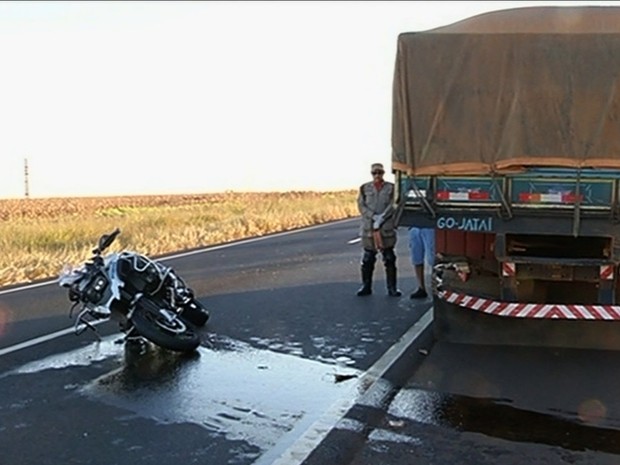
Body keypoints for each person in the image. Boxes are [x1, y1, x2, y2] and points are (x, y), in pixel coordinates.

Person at [356, 162, 402, 297]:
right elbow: (361, 205)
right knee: (368, 258)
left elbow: (394, 203)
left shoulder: (391, 188)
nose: (377, 175)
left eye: (379, 173)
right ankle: (366, 286)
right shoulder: (364, 188)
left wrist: (383, 217)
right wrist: (373, 216)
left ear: (383, 173)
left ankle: (392, 288)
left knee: (389, 258)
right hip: (369, 228)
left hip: (385, 227)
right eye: (374, 173)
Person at [408, 226, 435, 298]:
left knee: (432, 258)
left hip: (429, 225)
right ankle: (421, 287)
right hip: (414, 225)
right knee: (416, 257)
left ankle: (435, 287)